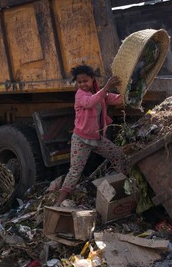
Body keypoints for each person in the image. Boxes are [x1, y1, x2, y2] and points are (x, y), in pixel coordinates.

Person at [54, 65, 127, 206]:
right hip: (81, 139)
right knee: (75, 171)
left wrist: (129, 94)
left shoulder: (99, 93)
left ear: (92, 79)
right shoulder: (80, 95)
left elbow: (114, 99)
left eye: (85, 81)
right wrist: (106, 88)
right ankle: (58, 204)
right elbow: (90, 103)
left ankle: (124, 186)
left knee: (118, 155)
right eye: (79, 82)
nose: (82, 84)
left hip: (97, 138)